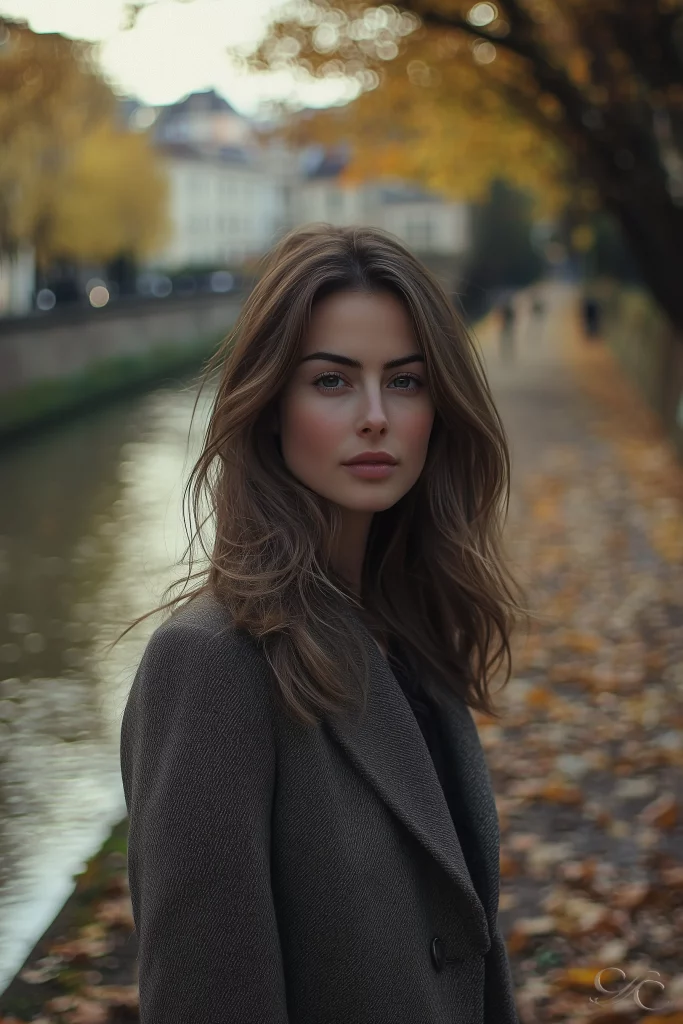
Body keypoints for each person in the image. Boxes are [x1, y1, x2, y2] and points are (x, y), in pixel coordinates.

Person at [119, 223, 525, 1024]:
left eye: (405, 383)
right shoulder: (209, 666)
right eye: (333, 382)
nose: (375, 416)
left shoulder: (409, 631)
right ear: (270, 404)